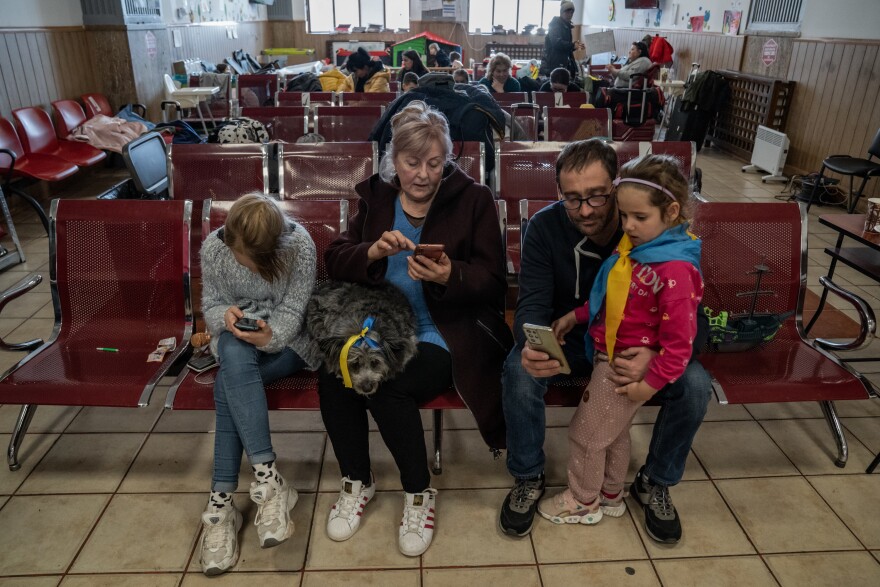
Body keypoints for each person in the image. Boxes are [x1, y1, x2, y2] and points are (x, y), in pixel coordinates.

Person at [320, 101, 511, 557]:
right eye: (411, 163)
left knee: (389, 385)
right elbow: (335, 258)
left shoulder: (474, 199)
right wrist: (370, 253)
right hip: (379, 327)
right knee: (333, 374)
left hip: (447, 333)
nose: (423, 174)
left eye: (434, 162)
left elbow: (494, 281)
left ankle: (418, 493)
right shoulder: (378, 199)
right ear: (393, 161)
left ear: (447, 159)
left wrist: (450, 276)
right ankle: (357, 481)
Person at [498, 140, 712, 544]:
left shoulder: (654, 233)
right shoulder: (545, 227)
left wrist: (654, 355)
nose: (585, 210)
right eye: (572, 199)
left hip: (639, 348)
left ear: (616, 185)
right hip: (577, 340)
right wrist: (533, 341)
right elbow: (531, 303)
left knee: (696, 386)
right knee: (518, 371)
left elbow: (692, 324)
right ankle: (528, 476)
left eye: (596, 196)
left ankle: (655, 482)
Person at [197, 193, 318, 576]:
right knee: (233, 357)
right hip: (237, 344)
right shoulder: (215, 250)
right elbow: (212, 303)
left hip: (290, 343)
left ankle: (222, 505)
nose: (240, 262)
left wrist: (270, 337)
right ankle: (268, 480)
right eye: (238, 255)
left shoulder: (299, 247)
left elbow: (295, 310)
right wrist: (224, 316)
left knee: (227, 386)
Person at [540, 1, 585, 79]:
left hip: (559, 64)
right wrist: (572, 45)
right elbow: (556, 43)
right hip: (551, 65)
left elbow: (564, 48)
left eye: (571, 13)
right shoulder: (555, 24)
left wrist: (574, 46)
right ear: (561, 12)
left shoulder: (566, 26)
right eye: (567, 12)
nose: (570, 15)